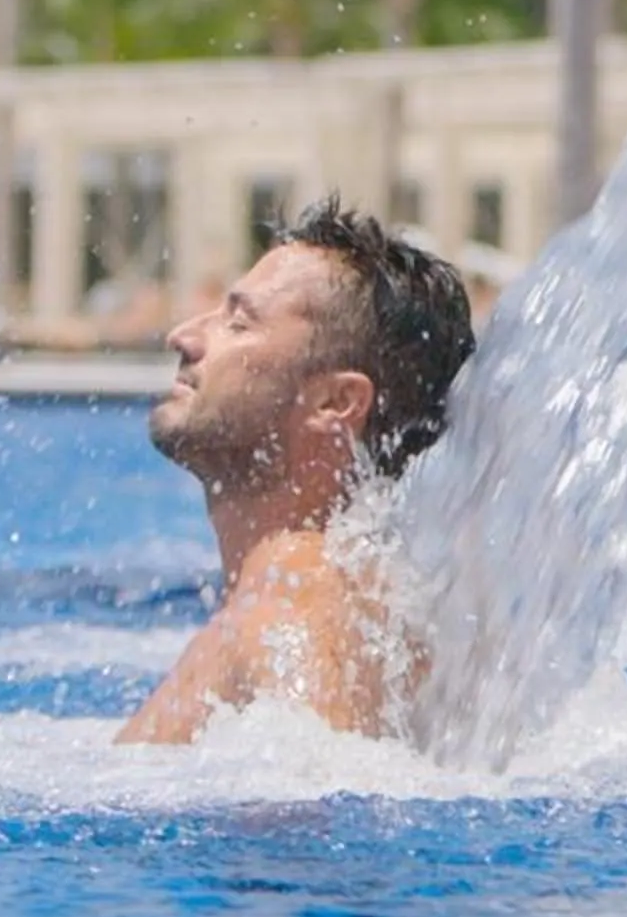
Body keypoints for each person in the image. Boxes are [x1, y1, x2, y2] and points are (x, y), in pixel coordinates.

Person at [117, 197, 475, 746]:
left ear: (334, 402)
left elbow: (333, 807)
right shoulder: (360, 600)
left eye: (238, 322)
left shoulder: (293, 603)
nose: (184, 336)